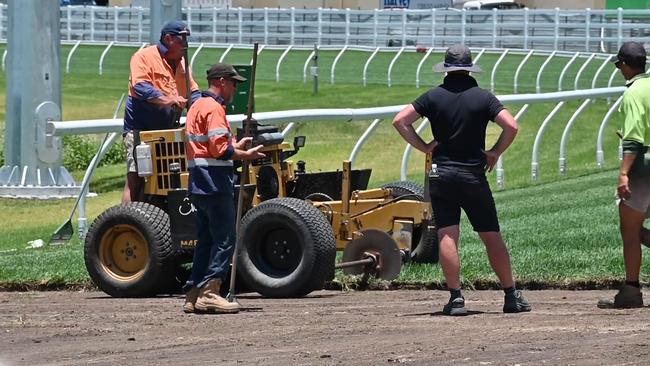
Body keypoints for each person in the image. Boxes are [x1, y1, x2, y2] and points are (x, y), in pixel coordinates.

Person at [393, 44, 531, 316]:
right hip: (472, 175)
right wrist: (494, 152)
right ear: (469, 69)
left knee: (447, 233)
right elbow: (512, 126)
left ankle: (456, 297)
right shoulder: (483, 97)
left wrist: (424, 146)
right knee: (491, 235)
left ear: (446, 69)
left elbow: (400, 121)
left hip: (442, 174)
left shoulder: (433, 97)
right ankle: (511, 295)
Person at [182, 63, 265, 314]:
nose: (235, 88)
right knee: (225, 238)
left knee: (206, 240)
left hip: (199, 182)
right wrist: (244, 153)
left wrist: (236, 144)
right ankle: (210, 292)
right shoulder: (214, 108)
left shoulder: (196, 106)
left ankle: (194, 293)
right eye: (233, 83)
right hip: (215, 182)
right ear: (220, 81)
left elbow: (209, 145)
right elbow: (221, 150)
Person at [122, 20, 201, 203]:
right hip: (141, 132)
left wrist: (201, 107)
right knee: (136, 179)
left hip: (167, 133)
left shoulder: (183, 64)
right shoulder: (143, 57)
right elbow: (140, 87)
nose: (186, 45)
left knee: (167, 180)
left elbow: (193, 92)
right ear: (168, 39)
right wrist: (169, 99)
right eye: (182, 40)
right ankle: (128, 219)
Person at [598, 42, 650, 309]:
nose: (619, 70)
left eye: (619, 65)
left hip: (644, 167)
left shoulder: (632, 93)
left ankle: (631, 291)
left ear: (626, 65)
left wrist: (623, 174)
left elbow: (633, 140)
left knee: (630, 231)